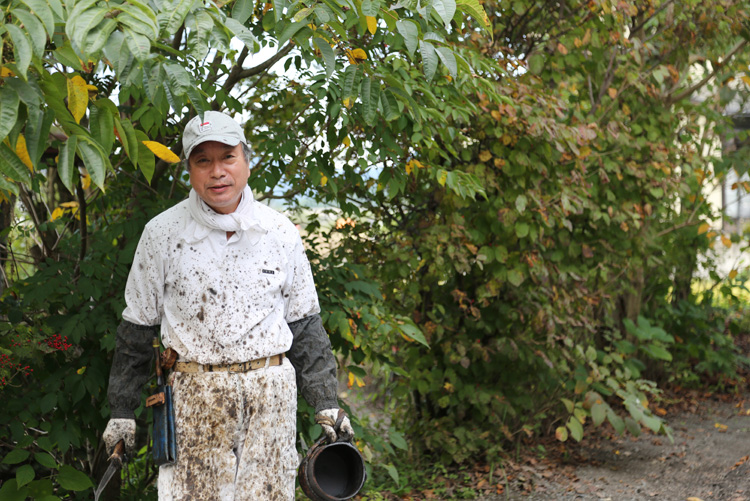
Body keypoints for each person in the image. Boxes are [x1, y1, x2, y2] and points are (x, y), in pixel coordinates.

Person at [102, 110, 354, 500]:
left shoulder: (279, 232)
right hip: (193, 397)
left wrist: (325, 402)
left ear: (247, 161)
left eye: (228, 157)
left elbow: (305, 326)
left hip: (269, 397)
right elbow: (137, 329)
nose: (217, 171)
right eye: (203, 161)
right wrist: (121, 410)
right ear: (189, 169)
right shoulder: (162, 234)